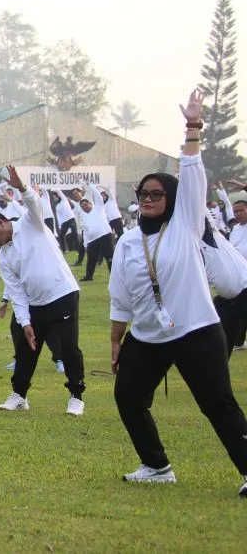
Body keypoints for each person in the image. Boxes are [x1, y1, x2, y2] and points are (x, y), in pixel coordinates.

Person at [109, 89, 247, 496]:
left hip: (196, 331)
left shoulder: (186, 223)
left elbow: (193, 174)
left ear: (172, 200)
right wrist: (117, 341)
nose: (149, 199)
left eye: (157, 194)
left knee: (217, 404)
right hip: (147, 336)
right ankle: (156, 465)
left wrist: (192, 128)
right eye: (143, 195)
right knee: (129, 399)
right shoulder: (128, 242)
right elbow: (120, 297)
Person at [0, 168, 85, 416]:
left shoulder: (30, 223)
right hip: (36, 305)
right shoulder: (4, 257)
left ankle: (76, 396)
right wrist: (25, 321)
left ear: (1, 222)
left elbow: (34, 203)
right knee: (26, 349)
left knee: (69, 348)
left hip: (63, 295)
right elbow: (17, 292)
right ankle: (19, 395)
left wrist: (22, 187)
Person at [198, 215, 247, 357]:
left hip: (243, 290)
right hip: (227, 299)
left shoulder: (211, 234)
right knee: (219, 349)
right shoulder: (190, 245)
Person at [78, 184, 114, 281]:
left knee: (109, 257)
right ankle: (88, 276)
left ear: (90, 204)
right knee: (91, 259)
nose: (84, 207)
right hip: (92, 240)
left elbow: (98, 197)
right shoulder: (84, 217)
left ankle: (114, 276)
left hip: (105, 235)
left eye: (85, 205)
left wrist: (91, 187)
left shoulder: (98, 208)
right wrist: (85, 244)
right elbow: (85, 231)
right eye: (82, 206)